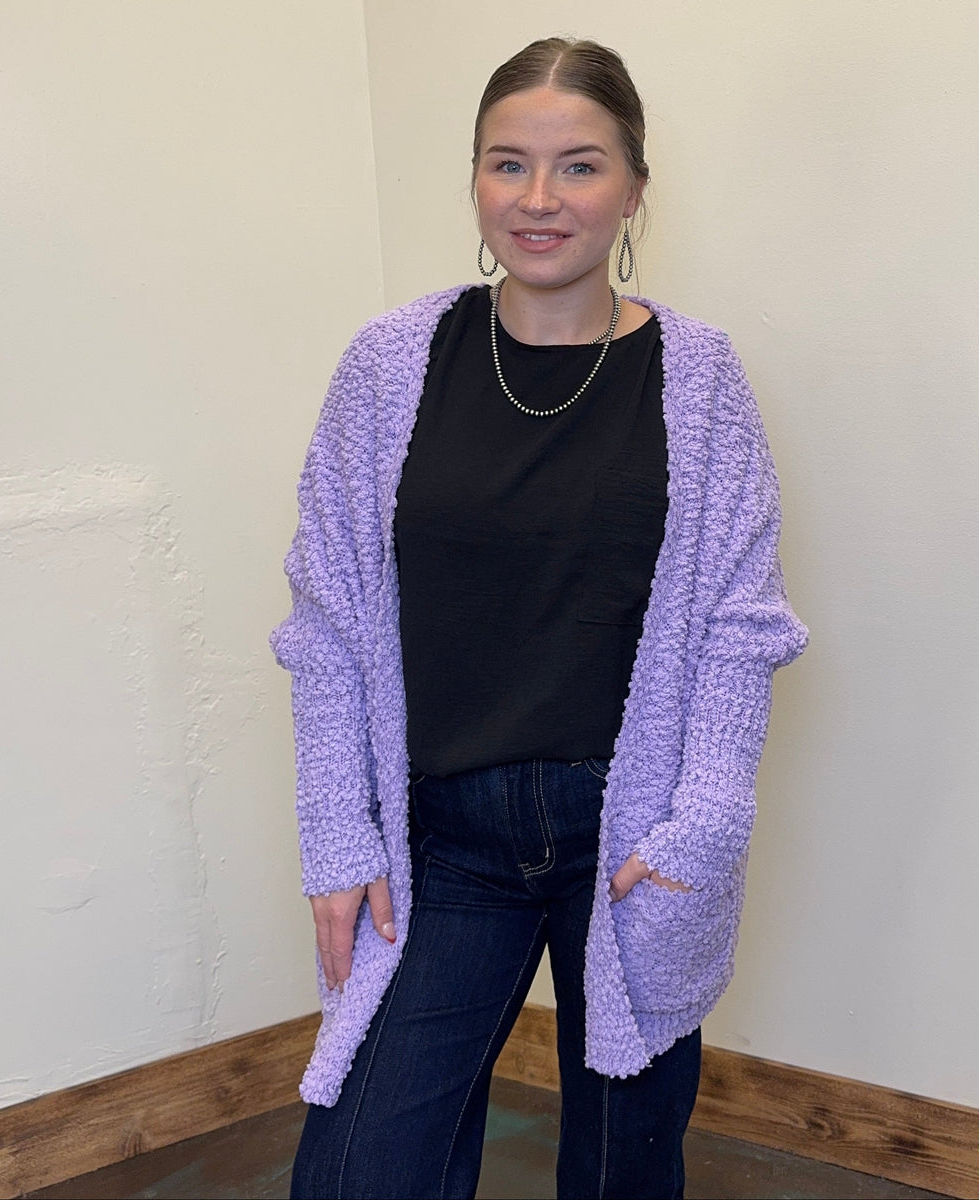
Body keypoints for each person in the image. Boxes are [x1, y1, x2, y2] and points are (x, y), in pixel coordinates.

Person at [270, 36, 807, 1200]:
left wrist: (700, 828)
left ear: (634, 188)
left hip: (630, 846)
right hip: (443, 843)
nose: (540, 199)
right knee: (360, 1172)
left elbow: (738, 624)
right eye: (508, 164)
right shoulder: (389, 367)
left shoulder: (700, 380)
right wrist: (337, 831)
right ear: (474, 180)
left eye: (579, 166)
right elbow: (326, 622)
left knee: (620, 1173)